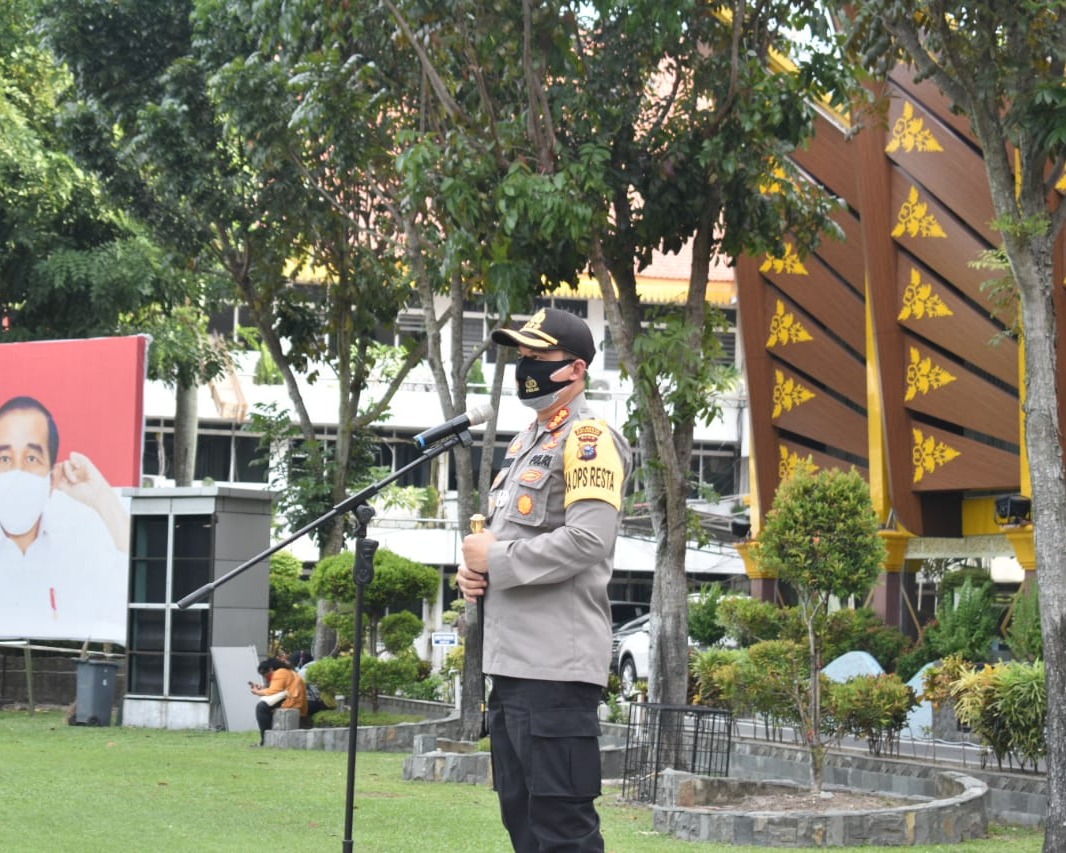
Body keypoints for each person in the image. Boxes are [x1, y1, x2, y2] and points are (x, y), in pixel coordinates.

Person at [457, 307, 632, 853]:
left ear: (575, 368)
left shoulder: (588, 440)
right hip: (511, 669)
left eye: (538, 357)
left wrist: (499, 558)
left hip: (555, 672)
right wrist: (476, 572)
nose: (524, 367)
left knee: (561, 833)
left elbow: (589, 541)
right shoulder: (525, 443)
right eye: (521, 356)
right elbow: (510, 545)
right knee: (524, 826)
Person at [0, 395, 129, 642]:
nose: (17, 473)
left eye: (31, 459)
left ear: (50, 477)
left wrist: (102, 497)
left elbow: (134, 585)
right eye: (5, 459)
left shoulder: (80, 547)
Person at [250, 657, 308, 746]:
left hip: (291, 701)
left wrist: (257, 692)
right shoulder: (287, 671)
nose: (265, 677)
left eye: (264, 674)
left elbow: (273, 691)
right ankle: (265, 739)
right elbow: (276, 688)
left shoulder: (280, 672)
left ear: (271, 669)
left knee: (261, 707)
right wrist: (262, 688)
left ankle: (264, 740)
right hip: (293, 699)